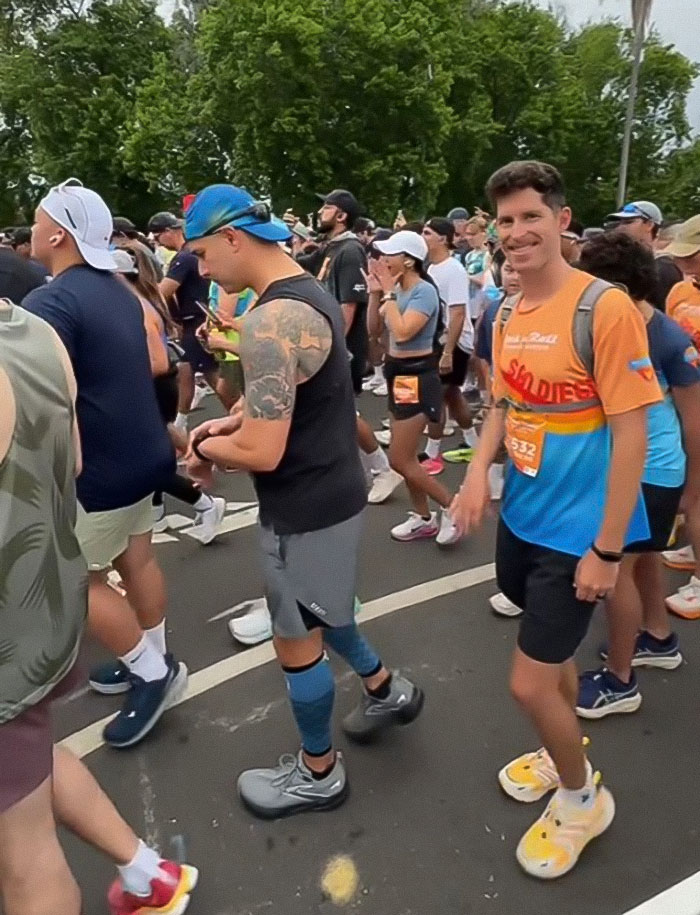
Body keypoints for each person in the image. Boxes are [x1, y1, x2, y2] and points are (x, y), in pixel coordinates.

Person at [184, 183, 423, 818]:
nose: (202, 270)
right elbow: (284, 401)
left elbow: (263, 449)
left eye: (204, 254)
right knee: (326, 611)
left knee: (296, 638)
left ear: (233, 238)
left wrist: (203, 449)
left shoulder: (271, 320)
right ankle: (384, 688)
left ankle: (318, 773)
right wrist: (222, 428)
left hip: (302, 508)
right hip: (334, 490)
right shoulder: (304, 291)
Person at [451, 161, 661, 878]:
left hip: (579, 534)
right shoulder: (507, 310)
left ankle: (581, 798)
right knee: (556, 662)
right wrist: (478, 470)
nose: (516, 233)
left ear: (563, 220)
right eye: (505, 221)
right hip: (524, 518)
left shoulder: (603, 308)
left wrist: (608, 548)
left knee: (528, 683)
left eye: (530, 217)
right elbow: (504, 407)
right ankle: (559, 745)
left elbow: (632, 433)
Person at [0, 297, 198, 915]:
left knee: (26, 860)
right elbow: (74, 457)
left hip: (6, 629)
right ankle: (148, 874)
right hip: (40, 599)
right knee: (26, 766)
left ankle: (151, 669)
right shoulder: (32, 329)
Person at [22, 179, 187, 749]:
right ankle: (153, 655)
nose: (31, 225)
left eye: (39, 218)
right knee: (136, 557)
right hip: (142, 454)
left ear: (59, 234)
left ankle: (152, 672)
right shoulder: (118, 288)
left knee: (77, 581)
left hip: (96, 470)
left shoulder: (51, 302)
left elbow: (44, 395)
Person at [574, 232, 700, 718]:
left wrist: (692, 488)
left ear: (623, 290)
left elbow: (693, 420)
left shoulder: (666, 337)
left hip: (652, 471)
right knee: (643, 560)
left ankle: (620, 682)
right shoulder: (616, 325)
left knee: (616, 568)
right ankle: (659, 639)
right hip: (632, 466)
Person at [114, 246, 226, 543]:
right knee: (155, 448)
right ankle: (159, 507)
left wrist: (119, 375)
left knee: (146, 458)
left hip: (155, 384)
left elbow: (158, 361)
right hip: (154, 385)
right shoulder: (135, 301)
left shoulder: (136, 304)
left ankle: (204, 502)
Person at [367, 230, 460, 546]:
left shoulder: (422, 292)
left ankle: (453, 508)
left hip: (418, 376)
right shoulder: (397, 291)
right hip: (398, 373)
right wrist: (374, 293)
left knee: (399, 459)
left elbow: (405, 332)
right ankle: (423, 518)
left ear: (408, 260)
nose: (383, 260)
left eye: (389, 255)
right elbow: (375, 330)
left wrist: (389, 294)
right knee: (404, 455)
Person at [658, 215, 700, 615]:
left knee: (698, 494)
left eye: (693, 255)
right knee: (691, 489)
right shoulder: (678, 291)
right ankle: (692, 548)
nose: (685, 262)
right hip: (682, 396)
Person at [148, 210, 220, 431]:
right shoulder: (188, 255)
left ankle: (241, 415)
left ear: (169, 232)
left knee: (214, 378)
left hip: (196, 322)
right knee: (186, 373)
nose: (157, 242)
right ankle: (180, 426)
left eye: (158, 236)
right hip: (193, 320)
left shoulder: (184, 257)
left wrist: (141, 301)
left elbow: (164, 291)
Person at [420, 217, 478, 471]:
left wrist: (448, 352)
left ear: (443, 238)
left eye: (427, 232)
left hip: (454, 341)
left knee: (434, 396)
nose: (423, 237)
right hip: (441, 339)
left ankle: (432, 454)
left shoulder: (453, 269)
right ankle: (474, 445)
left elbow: (457, 313)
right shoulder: (432, 269)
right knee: (453, 395)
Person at [605, 200, 682, 310]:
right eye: (619, 223)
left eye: (628, 222)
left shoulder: (664, 268)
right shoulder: (624, 263)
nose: (620, 227)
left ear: (649, 225)